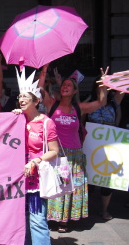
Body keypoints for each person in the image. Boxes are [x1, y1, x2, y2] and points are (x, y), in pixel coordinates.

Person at [39, 65, 108, 232]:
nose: (65, 87)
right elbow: (40, 88)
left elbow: (101, 102)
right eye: (63, 85)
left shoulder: (79, 108)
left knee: (69, 189)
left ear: (75, 91)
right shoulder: (52, 104)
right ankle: (51, 216)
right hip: (56, 154)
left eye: (69, 85)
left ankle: (64, 221)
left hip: (74, 156)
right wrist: (44, 68)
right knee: (54, 186)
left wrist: (104, 84)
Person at [12, 67, 59, 245]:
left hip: (37, 178)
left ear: (36, 100)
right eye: (19, 96)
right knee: (20, 218)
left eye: (25, 96)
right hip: (17, 178)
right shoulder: (16, 120)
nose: (20, 99)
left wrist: (35, 160)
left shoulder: (47, 122)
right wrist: (10, 120)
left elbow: (54, 150)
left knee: (38, 221)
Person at [87, 76, 124, 220]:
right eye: (100, 85)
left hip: (110, 145)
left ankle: (104, 210)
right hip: (92, 145)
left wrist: (111, 80)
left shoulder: (114, 102)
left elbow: (122, 88)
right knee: (90, 179)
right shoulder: (89, 102)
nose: (103, 88)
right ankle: (86, 210)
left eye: (105, 86)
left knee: (107, 180)